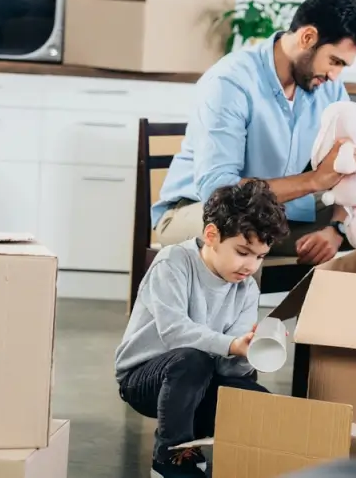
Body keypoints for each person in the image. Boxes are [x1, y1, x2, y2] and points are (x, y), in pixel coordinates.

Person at [152, 0, 356, 264]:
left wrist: (336, 228)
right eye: (334, 61)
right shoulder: (230, 82)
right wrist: (314, 180)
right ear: (307, 37)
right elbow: (219, 191)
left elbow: (351, 170)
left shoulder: (328, 88)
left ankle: (348, 308)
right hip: (199, 211)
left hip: (276, 212)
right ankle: (240, 309)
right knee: (243, 225)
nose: (334, 75)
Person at [115, 180, 290, 478]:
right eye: (243, 251)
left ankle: (226, 457)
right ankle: (171, 458)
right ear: (212, 235)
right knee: (191, 360)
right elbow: (174, 333)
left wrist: (248, 349)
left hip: (200, 379)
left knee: (253, 394)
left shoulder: (246, 288)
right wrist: (231, 344)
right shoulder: (174, 262)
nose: (251, 266)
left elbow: (228, 368)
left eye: (260, 257)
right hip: (145, 379)